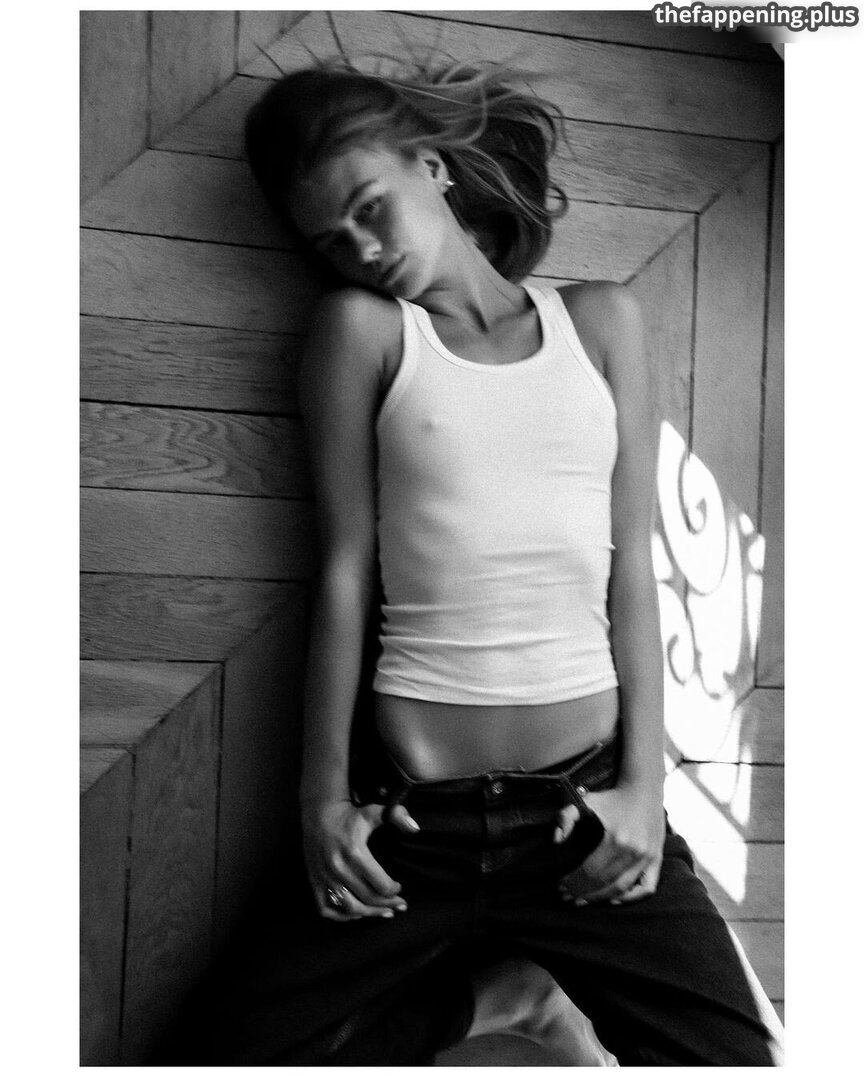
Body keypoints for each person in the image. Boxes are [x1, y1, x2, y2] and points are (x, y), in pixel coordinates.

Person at [161, 56, 784, 1066]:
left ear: (432, 165)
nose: (363, 250)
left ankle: (522, 985)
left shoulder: (602, 322)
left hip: (584, 814)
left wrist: (645, 791)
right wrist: (321, 804)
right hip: (412, 824)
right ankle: (500, 999)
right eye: (332, 240)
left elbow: (631, 571)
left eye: (370, 208)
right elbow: (344, 572)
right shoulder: (363, 331)